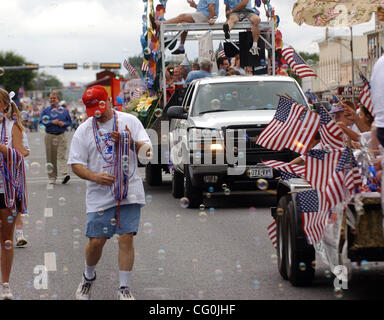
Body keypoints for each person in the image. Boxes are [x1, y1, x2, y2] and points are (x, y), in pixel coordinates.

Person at [68, 85, 152, 300]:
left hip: (129, 189)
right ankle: (88, 277)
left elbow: (148, 153)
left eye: (98, 107)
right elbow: (75, 164)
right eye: (91, 109)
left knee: (126, 237)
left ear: (107, 102)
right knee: (97, 241)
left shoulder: (129, 121)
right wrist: (94, 176)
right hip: (99, 194)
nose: (95, 113)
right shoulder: (84, 129)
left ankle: (124, 288)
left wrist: (129, 142)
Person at [0, 88, 29, 299]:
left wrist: (1, 148)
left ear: (3, 105)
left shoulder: (12, 127)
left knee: (6, 239)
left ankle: (5, 285)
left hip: (5, 189)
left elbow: (20, 155)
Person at [150, 0, 219, 55]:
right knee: (184, 24)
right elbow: (205, 8)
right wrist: (195, 6)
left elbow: (211, 6)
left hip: (205, 16)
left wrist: (212, 19)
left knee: (182, 16)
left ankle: (160, 24)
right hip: (204, 15)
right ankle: (181, 47)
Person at [6, 101, 31, 248]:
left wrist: (15, 154)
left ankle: (19, 234)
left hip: (14, 173)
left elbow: (26, 151)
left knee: (15, 205)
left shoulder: (16, 128)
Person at [39, 92, 72, 184]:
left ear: (58, 100)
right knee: (51, 157)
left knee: (62, 156)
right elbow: (41, 122)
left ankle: (65, 175)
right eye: (51, 98)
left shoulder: (64, 111)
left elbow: (69, 122)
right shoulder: (46, 111)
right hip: (50, 135)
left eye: (54, 98)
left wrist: (64, 124)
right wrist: (51, 122)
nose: (52, 100)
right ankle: (52, 177)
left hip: (61, 134)